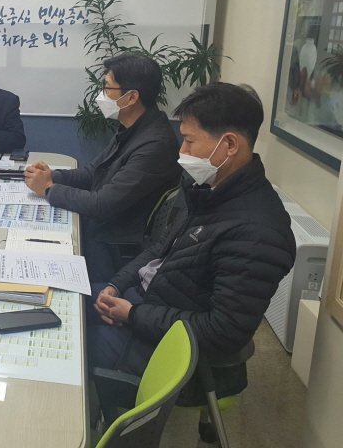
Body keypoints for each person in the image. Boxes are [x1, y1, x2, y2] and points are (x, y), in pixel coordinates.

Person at [89, 83, 295, 407]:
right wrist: (116, 285)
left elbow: (222, 332)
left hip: (169, 352)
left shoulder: (258, 232)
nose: (181, 151)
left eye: (189, 141)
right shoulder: (208, 189)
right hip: (146, 303)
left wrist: (133, 315)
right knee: (62, 299)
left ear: (229, 144)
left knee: (68, 342)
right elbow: (158, 250)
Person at [25, 54, 182, 282]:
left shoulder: (155, 145)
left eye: (107, 88)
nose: (101, 95)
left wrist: (49, 189)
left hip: (111, 243)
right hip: (101, 228)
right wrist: (52, 176)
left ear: (131, 97)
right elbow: (92, 173)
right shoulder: (134, 128)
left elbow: (102, 205)